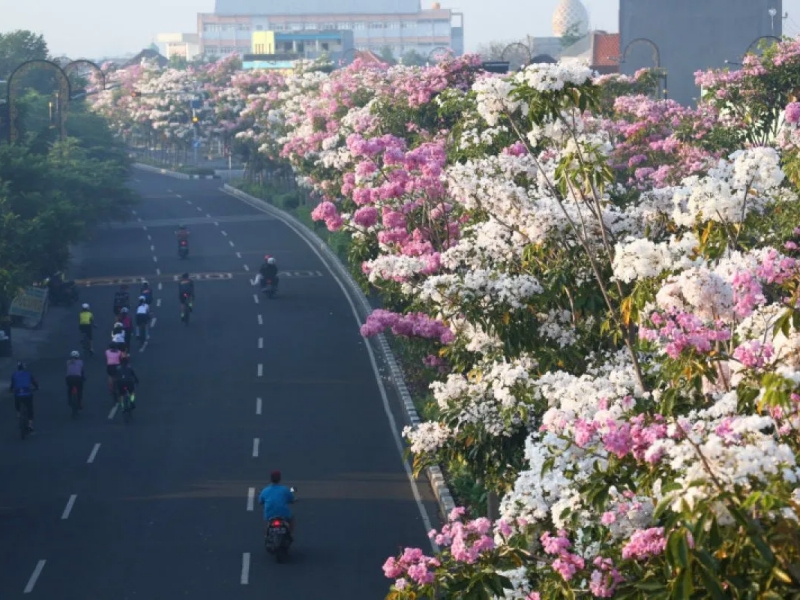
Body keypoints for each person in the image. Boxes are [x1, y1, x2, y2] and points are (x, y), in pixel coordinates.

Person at [258, 470, 296, 535]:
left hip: (269, 514)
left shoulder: (265, 490)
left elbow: (260, 501)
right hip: (284, 513)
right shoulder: (284, 489)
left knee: (267, 523)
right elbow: (292, 499)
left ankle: (266, 534)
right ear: (280, 479)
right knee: (291, 519)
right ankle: (290, 533)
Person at [9, 362, 39, 432]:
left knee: (17, 404)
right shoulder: (28, 374)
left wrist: (10, 390)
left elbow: (12, 385)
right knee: (30, 408)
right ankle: (30, 424)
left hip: (18, 394)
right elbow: (34, 382)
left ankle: (19, 413)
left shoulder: (14, 374)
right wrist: (37, 387)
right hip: (27, 393)